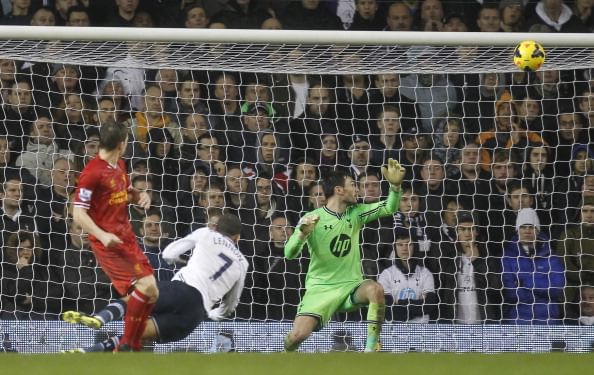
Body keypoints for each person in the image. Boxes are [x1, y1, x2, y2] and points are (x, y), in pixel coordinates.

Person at [62, 214, 248, 353]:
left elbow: (168, 254)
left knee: (136, 297)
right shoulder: (243, 263)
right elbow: (231, 304)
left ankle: (101, 318)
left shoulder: (207, 233)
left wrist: (177, 262)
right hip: (196, 314)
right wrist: (215, 314)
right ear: (237, 237)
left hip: (181, 289)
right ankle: (89, 351)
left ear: (216, 227)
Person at [283, 159, 406, 352]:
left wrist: (396, 186)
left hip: (351, 286)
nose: (358, 190)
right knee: (297, 337)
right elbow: (289, 253)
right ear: (339, 190)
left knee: (375, 290)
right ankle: (284, 355)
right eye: (353, 185)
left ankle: (371, 350)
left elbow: (389, 207)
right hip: (320, 289)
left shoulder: (356, 213)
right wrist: (301, 234)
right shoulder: (313, 218)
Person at [67, 121, 158, 352]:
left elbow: (121, 195)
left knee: (153, 291)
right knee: (146, 288)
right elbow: (78, 213)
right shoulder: (92, 173)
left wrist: (139, 196)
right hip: (108, 243)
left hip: (125, 236)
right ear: (122, 143)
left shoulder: (119, 164)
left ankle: (131, 342)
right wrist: (101, 234)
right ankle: (128, 343)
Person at [378, 228, 437, 323]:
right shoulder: (386, 275)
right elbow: (388, 311)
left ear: (415, 246)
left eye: (409, 244)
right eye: (400, 245)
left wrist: (401, 303)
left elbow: (429, 306)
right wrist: (418, 305)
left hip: (421, 332)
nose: (404, 248)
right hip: (394, 331)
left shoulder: (425, 273)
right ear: (394, 247)